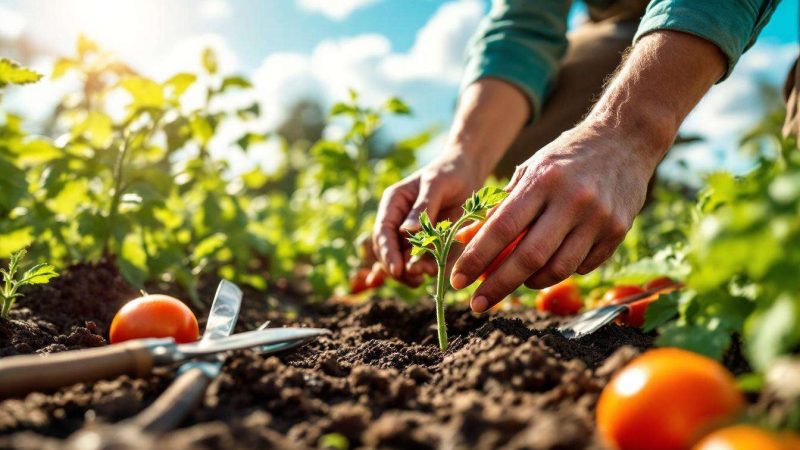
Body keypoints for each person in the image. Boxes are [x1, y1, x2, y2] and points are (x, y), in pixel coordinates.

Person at [368, 0, 798, 313]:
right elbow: (523, 23)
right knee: (523, 140)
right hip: (634, 21)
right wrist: (465, 156)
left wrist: (627, 133)